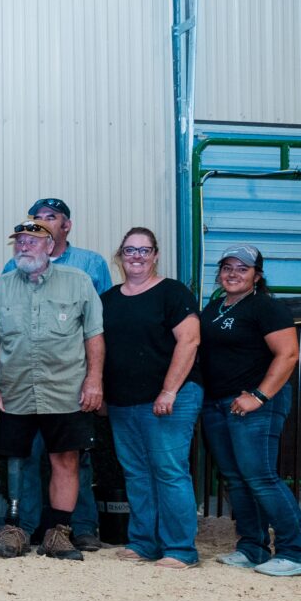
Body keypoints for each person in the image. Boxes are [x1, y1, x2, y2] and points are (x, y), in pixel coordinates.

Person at [0, 220, 104, 560]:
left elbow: (94, 335)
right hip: (14, 391)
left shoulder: (78, 283)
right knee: (16, 460)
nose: (25, 246)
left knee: (66, 460)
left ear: (51, 245)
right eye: (20, 241)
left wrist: (94, 380)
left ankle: (59, 533)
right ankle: (17, 529)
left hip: (65, 390)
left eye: (33, 240)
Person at [198, 246, 301, 576]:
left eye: (242, 268)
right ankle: (252, 547)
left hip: (254, 404)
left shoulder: (266, 307)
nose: (233, 273)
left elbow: (289, 354)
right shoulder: (215, 308)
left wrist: (259, 396)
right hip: (219, 404)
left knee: (260, 477)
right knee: (237, 479)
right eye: (227, 267)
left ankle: (297, 552)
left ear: (257, 276)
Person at [3, 197, 111, 549]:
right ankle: (31, 527)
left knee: (73, 458)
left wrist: (95, 379)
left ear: (63, 228)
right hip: (22, 383)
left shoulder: (88, 267)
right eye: (36, 218)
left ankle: (78, 527)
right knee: (29, 456)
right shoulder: (12, 268)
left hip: (68, 381)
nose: (42, 223)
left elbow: (99, 325)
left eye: (51, 218)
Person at [100, 227, 202, 569]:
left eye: (144, 251)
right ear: (120, 256)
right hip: (123, 401)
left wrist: (169, 390)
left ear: (156, 255)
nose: (137, 257)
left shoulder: (172, 293)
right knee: (136, 473)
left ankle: (180, 548)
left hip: (169, 398)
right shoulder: (109, 299)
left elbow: (189, 342)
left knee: (169, 471)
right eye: (130, 250)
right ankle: (144, 542)